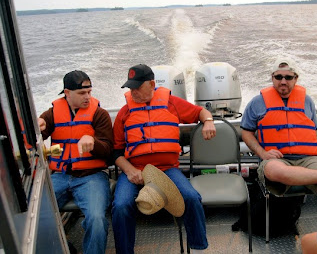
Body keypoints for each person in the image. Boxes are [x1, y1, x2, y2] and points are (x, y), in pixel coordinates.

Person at [241, 57, 317, 228]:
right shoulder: (257, 103)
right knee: (275, 171)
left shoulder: (307, 101)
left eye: (288, 77)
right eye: (278, 77)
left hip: (307, 159)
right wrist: (262, 153)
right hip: (277, 159)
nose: (283, 81)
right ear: (272, 77)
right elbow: (246, 131)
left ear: (296, 78)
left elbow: (316, 129)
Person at [112, 64, 216, 254]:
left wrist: (208, 121)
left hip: (167, 170)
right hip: (134, 170)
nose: (133, 91)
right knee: (120, 206)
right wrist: (129, 171)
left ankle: (199, 246)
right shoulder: (124, 112)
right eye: (130, 87)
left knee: (192, 198)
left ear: (151, 84)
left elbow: (200, 112)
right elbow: (116, 152)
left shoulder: (172, 103)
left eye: (137, 86)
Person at [38, 70, 113, 254]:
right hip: (61, 175)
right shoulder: (52, 114)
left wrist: (93, 142)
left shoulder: (100, 114)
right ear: (67, 93)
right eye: (81, 93)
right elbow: (34, 139)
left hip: (92, 177)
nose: (87, 97)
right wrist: (36, 127)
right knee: (34, 217)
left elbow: (109, 151)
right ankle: (66, 249)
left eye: (89, 92)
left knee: (96, 219)